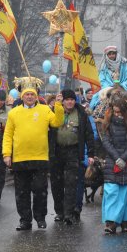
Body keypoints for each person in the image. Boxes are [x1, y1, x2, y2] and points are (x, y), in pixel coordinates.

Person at [2, 77, 64, 231]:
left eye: (32, 94)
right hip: (20, 158)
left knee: (40, 190)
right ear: (22, 96)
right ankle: (25, 220)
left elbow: (57, 122)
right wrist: (6, 154)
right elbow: (8, 135)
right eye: (26, 94)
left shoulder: (44, 110)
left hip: (40, 158)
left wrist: (58, 105)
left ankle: (40, 217)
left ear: (36, 96)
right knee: (21, 192)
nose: (29, 97)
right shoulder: (14, 113)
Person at [49, 89, 95, 225]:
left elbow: (89, 134)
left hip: (73, 151)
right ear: (62, 101)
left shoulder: (81, 113)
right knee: (56, 184)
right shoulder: (53, 112)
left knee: (71, 183)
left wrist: (91, 153)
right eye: (67, 99)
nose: (70, 102)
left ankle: (69, 213)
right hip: (56, 152)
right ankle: (59, 212)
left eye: (72, 99)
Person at [101, 98, 127, 234]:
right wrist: (117, 158)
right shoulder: (108, 123)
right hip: (113, 161)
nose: (117, 115)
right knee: (112, 192)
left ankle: (126, 222)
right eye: (115, 112)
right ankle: (111, 222)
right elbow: (106, 142)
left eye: (120, 112)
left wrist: (123, 158)